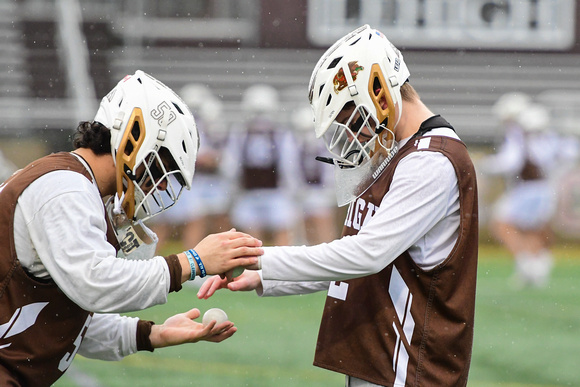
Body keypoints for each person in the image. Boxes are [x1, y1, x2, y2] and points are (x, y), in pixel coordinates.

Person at [199, 25, 479, 387]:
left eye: (352, 118)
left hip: (409, 370)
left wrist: (258, 258)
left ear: (378, 93)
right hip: (381, 363)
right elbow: (357, 263)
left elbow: (367, 255)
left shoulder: (431, 161)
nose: (352, 134)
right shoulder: (399, 152)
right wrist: (268, 276)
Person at [0, 70, 263, 386]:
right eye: (161, 163)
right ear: (132, 140)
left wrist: (153, 334)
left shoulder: (77, 186)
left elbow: (63, 319)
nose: (162, 183)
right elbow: (96, 284)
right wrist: (192, 262)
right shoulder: (66, 189)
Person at [481, 95, 573, 287]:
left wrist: (486, 165)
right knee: (532, 229)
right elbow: (564, 153)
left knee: (501, 224)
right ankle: (536, 266)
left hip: (529, 189)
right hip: (542, 188)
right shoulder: (545, 136)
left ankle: (527, 264)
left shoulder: (521, 135)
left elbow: (511, 161)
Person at [151, 83, 232, 251]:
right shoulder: (180, 125)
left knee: (172, 223)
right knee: (187, 221)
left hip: (175, 178)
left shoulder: (176, 122)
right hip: (175, 178)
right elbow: (194, 156)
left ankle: (149, 259)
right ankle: (187, 260)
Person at [224, 84, 299, 246]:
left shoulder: (280, 135)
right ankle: (256, 267)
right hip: (249, 193)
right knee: (251, 236)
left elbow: (289, 166)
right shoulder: (240, 134)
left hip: (275, 192)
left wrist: (291, 190)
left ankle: (281, 265)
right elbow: (231, 166)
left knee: (282, 228)